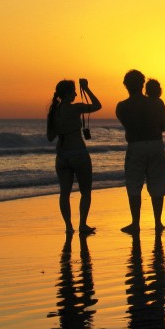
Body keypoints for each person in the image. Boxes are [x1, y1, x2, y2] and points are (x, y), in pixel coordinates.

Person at [116, 69, 165, 234]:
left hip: (136, 145)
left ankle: (135, 223)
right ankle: (158, 222)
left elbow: (128, 125)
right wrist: (155, 127)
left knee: (134, 185)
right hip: (155, 144)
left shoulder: (122, 106)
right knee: (157, 184)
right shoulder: (156, 102)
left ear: (126, 85)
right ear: (142, 85)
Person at [46, 78, 102, 235]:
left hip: (62, 155)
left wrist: (62, 128)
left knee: (64, 193)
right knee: (85, 191)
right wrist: (87, 88)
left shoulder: (53, 112)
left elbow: (50, 137)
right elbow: (97, 105)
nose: (76, 94)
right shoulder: (75, 108)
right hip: (78, 153)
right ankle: (82, 224)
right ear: (68, 93)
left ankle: (69, 227)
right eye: (74, 91)